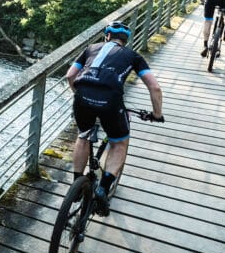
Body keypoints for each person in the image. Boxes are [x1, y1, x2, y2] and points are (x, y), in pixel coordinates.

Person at [65, 21, 164, 216]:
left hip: (82, 97)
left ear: (107, 36)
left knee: (83, 135)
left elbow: (70, 76)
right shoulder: (133, 56)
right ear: (125, 41)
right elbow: (155, 87)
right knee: (119, 143)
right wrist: (157, 114)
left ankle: (76, 184)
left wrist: (81, 95)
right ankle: (103, 188)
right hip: (110, 103)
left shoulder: (90, 48)